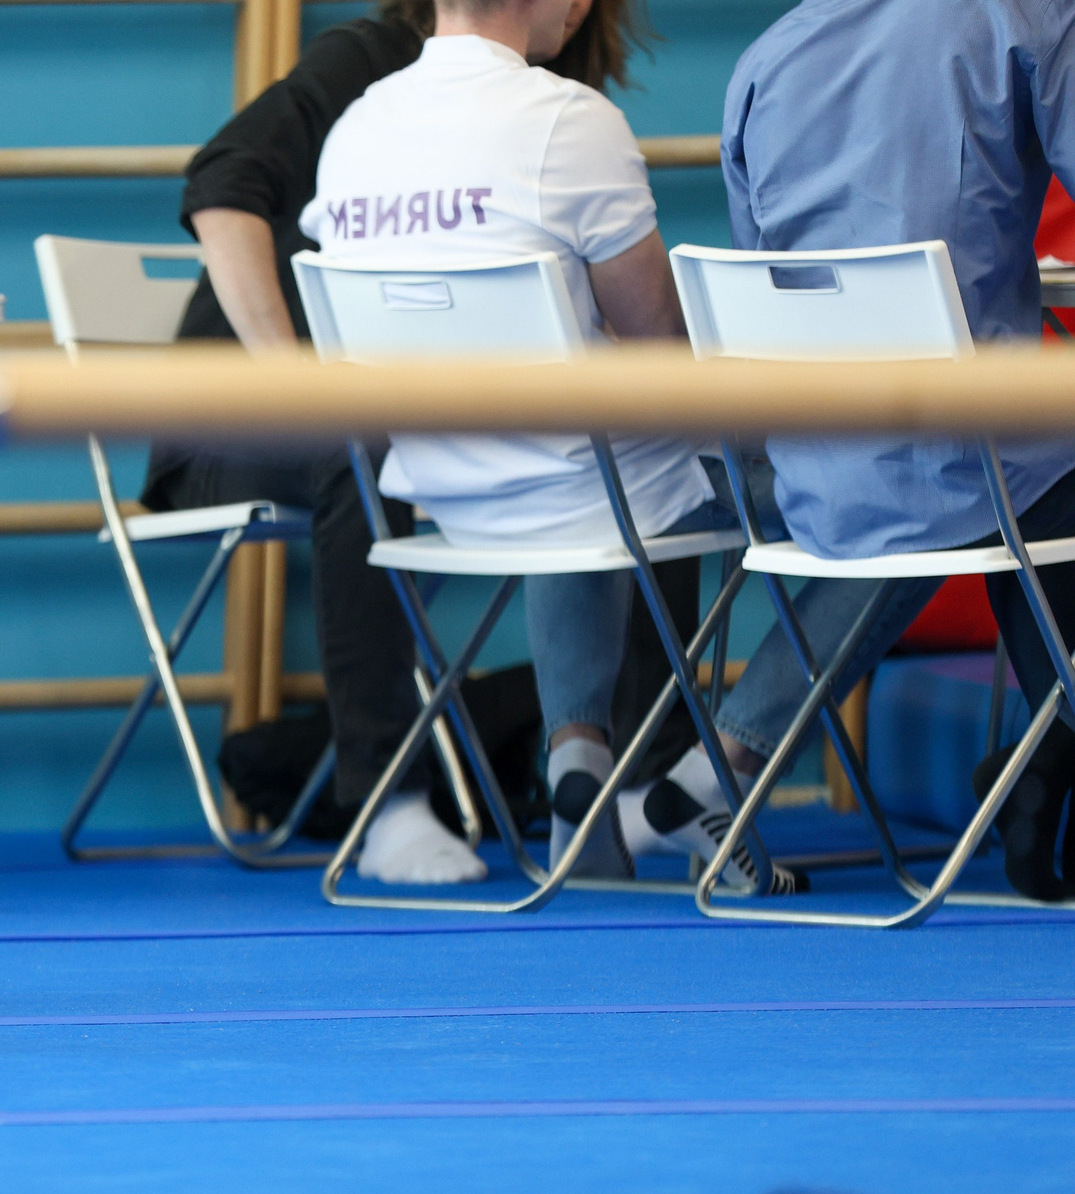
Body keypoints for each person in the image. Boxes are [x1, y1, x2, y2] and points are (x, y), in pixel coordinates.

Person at [150, 0, 691, 886]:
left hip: (428, 408)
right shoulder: (371, 70)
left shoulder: (542, 105)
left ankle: (632, 767)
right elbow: (222, 182)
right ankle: (386, 800)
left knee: (635, 435)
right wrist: (293, 379)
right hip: (247, 411)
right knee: (355, 438)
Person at [628, 0, 1075, 900]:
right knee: (1035, 472)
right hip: (961, 462)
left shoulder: (766, 58)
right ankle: (1050, 756)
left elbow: (758, 269)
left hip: (807, 466)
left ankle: (1044, 764)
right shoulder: (1022, 18)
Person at [298, 0, 751, 885]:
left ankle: (579, 752)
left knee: (589, 462)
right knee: (860, 482)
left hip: (440, 492)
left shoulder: (354, 130)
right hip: (578, 481)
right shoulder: (570, 120)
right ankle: (724, 759)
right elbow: (659, 341)